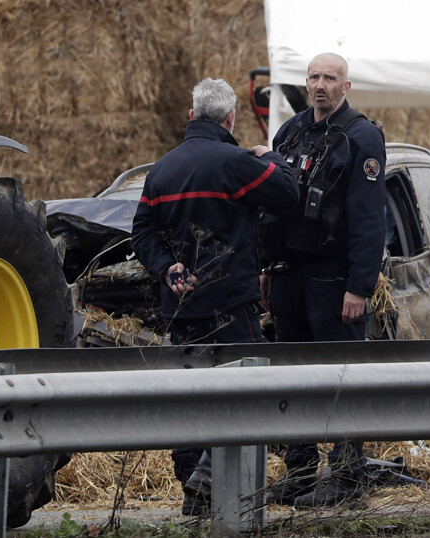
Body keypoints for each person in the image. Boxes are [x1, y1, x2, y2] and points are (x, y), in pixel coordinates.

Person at [131, 77, 299, 515]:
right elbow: (288, 193)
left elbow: (142, 232)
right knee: (250, 389)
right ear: (231, 118)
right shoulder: (236, 162)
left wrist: (167, 267)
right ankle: (208, 481)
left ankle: (194, 490)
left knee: (191, 398)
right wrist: (273, 156)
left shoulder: (161, 170)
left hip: (181, 307)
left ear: (190, 116)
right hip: (230, 305)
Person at [260, 52, 387, 508]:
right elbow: (271, 208)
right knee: (295, 377)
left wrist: (360, 285)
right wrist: (267, 266)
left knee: (340, 377)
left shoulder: (361, 136)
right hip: (290, 275)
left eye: (330, 78)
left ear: (345, 87)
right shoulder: (290, 132)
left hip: (335, 279)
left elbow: (371, 220)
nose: (320, 85)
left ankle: (348, 475)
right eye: (313, 77)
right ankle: (299, 472)